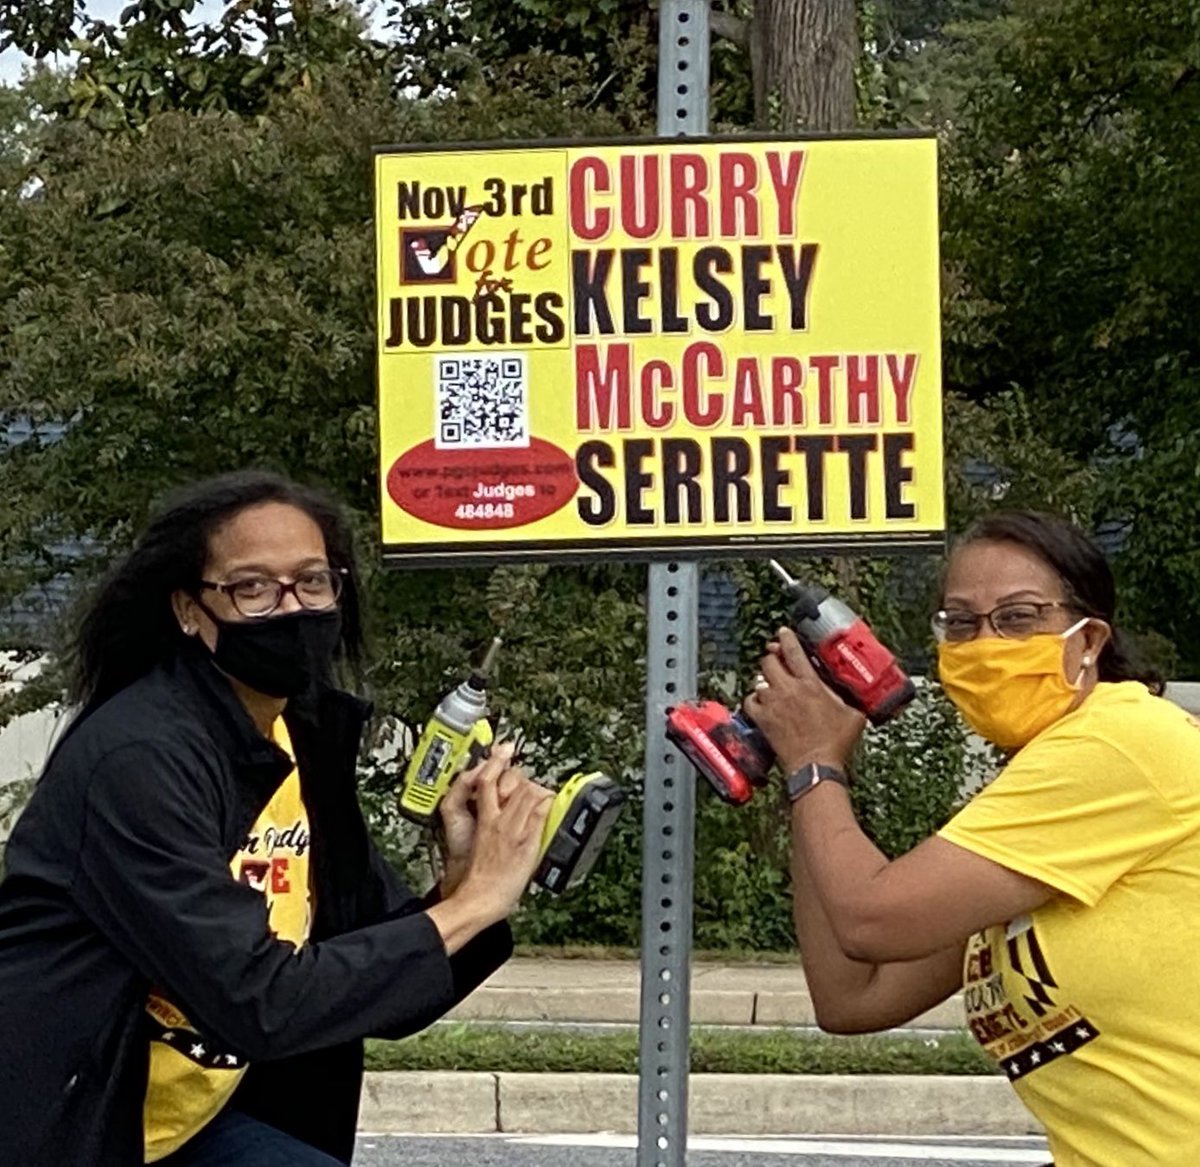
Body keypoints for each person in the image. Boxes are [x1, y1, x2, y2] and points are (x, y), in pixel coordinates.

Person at [0, 470, 554, 1167]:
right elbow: (262, 999)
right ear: (189, 609)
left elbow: (379, 986)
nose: (292, 608)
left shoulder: (301, 738)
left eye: (313, 581)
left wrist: (461, 883)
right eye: (253, 588)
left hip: (188, 1124)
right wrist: (475, 902)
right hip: (68, 1123)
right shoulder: (138, 761)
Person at [746, 510, 1200, 1167]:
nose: (985, 644)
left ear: (1089, 639)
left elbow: (873, 918)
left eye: (1017, 617)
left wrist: (816, 765)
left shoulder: (1119, 744)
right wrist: (805, 775)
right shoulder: (1035, 801)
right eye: (960, 622)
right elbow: (853, 994)